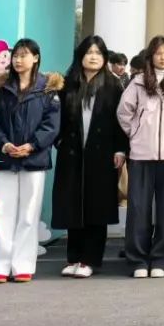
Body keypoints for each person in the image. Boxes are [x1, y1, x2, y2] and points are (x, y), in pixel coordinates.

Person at [0, 38, 62, 283]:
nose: (18, 60)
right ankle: (0, 266)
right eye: (16, 56)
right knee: (3, 212)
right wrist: (5, 145)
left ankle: (23, 266)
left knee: (29, 214)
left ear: (36, 58)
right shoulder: (2, 90)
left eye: (24, 55)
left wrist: (31, 146)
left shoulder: (48, 91)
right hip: (5, 158)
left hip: (34, 159)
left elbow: (51, 126)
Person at [52, 35, 128, 279]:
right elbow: (56, 117)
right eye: (89, 52)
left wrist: (120, 149)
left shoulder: (113, 85)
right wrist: (58, 140)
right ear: (80, 56)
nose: (93, 57)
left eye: (98, 53)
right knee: (73, 205)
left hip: (102, 153)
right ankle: (73, 257)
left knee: (97, 206)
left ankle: (89, 259)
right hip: (72, 152)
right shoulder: (68, 83)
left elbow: (121, 120)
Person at [117, 35, 164, 278]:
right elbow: (124, 112)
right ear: (151, 56)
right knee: (139, 209)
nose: (163, 57)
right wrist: (136, 133)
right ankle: (138, 259)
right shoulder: (138, 83)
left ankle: (162, 258)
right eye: (158, 53)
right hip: (141, 155)